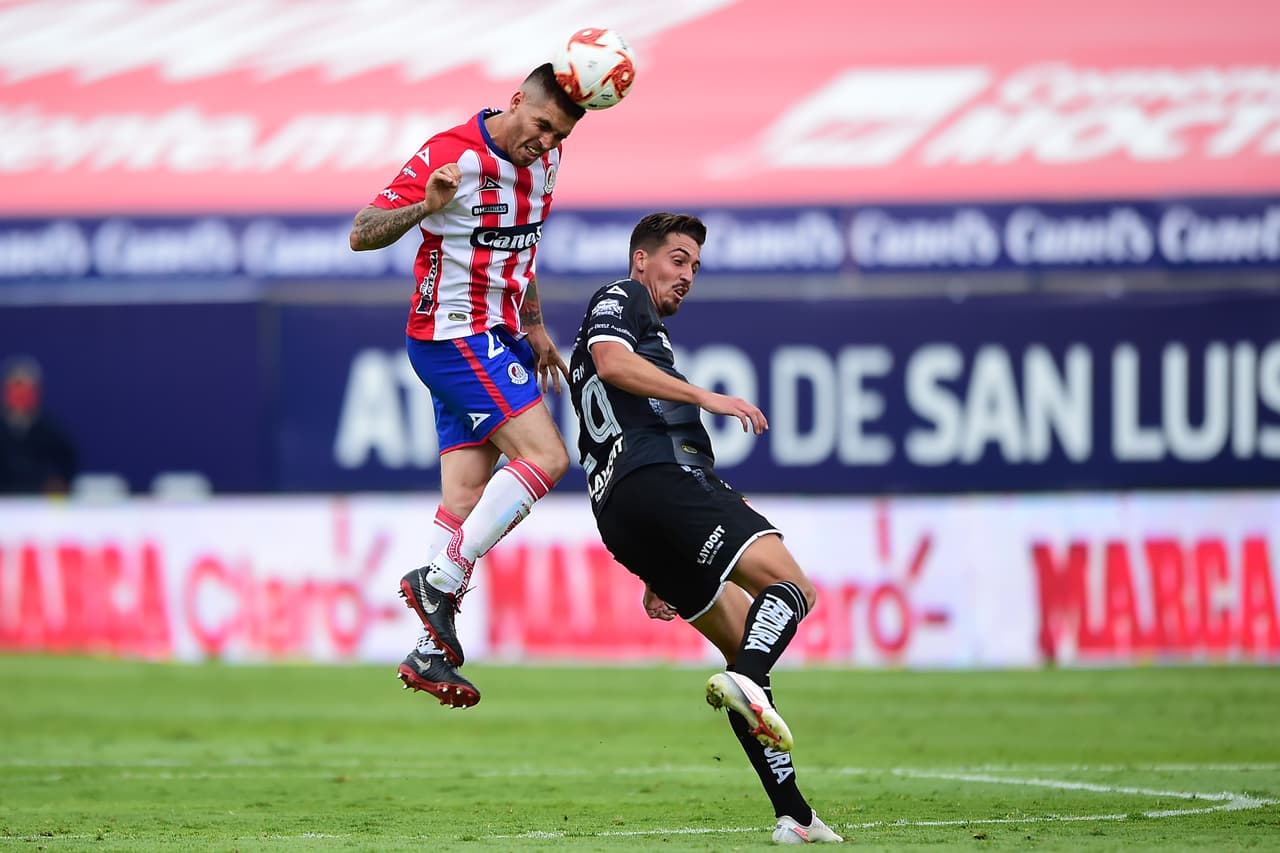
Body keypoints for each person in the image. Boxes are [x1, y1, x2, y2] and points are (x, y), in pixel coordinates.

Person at [567, 213, 844, 844]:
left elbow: (619, 402)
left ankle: (795, 817)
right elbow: (611, 362)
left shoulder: (641, 329)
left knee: (747, 642)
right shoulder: (621, 296)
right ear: (641, 259)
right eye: (678, 259)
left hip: (625, 511)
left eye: (695, 265)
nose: (688, 274)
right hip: (662, 482)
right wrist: (708, 397)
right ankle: (745, 681)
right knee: (792, 588)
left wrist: (655, 564)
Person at [348, 63, 586, 709]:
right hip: (453, 335)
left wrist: (533, 324)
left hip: (498, 334)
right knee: (547, 457)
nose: (545, 141)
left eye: (558, 134)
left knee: (465, 494)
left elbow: (522, 247)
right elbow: (361, 232)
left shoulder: (547, 163)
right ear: (516, 100)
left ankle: (427, 651)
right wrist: (426, 207)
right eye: (541, 125)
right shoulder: (449, 153)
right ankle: (440, 581)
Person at [0, 356, 78, 495]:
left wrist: (59, 480)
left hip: (39, 500)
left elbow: (66, 462)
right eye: (16, 387)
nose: (20, 393)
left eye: (26, 388)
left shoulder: (49, 430)